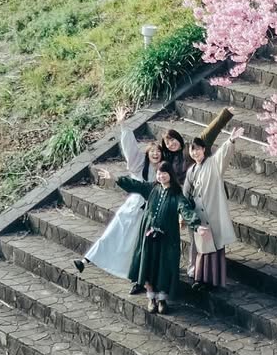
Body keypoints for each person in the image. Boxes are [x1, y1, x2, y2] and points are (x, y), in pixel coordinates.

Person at [73, 108, 163, 288]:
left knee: (134, 244)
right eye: (152, 151)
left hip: (147, 213)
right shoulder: (140, 165)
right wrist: (123, 125)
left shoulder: (162, 170)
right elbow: (130, 148)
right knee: (112, 234)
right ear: (148, 153)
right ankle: (86, 260)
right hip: (132, 207)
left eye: (158, 152)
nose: (155, 154)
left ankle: (136, 277)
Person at [106, 162, 200, 315]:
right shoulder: (151, 188)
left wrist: (196, 224)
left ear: (170, 174)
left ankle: (162, 299)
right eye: (158, 173)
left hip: (167, 238)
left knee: (164, 265)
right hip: (148, 234)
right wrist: (116, 178)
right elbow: (135, 185)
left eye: (164, 173)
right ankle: (151, 297)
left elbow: (185, 209)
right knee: (147, 263)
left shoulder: (177, 194)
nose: (161, 176)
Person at [183, 124, 245, 289]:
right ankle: (200, 279)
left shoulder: (213, 164)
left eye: (197, 149)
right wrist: (183, 214)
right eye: (192, 150)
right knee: (202, 247)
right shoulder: (191, 171)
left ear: (204, 149)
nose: (195, 152)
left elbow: (223, 155)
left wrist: (230, 140)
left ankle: (212, 280)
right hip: (199, 213)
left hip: (213, 212)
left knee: (214, 246)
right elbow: (185, 194)